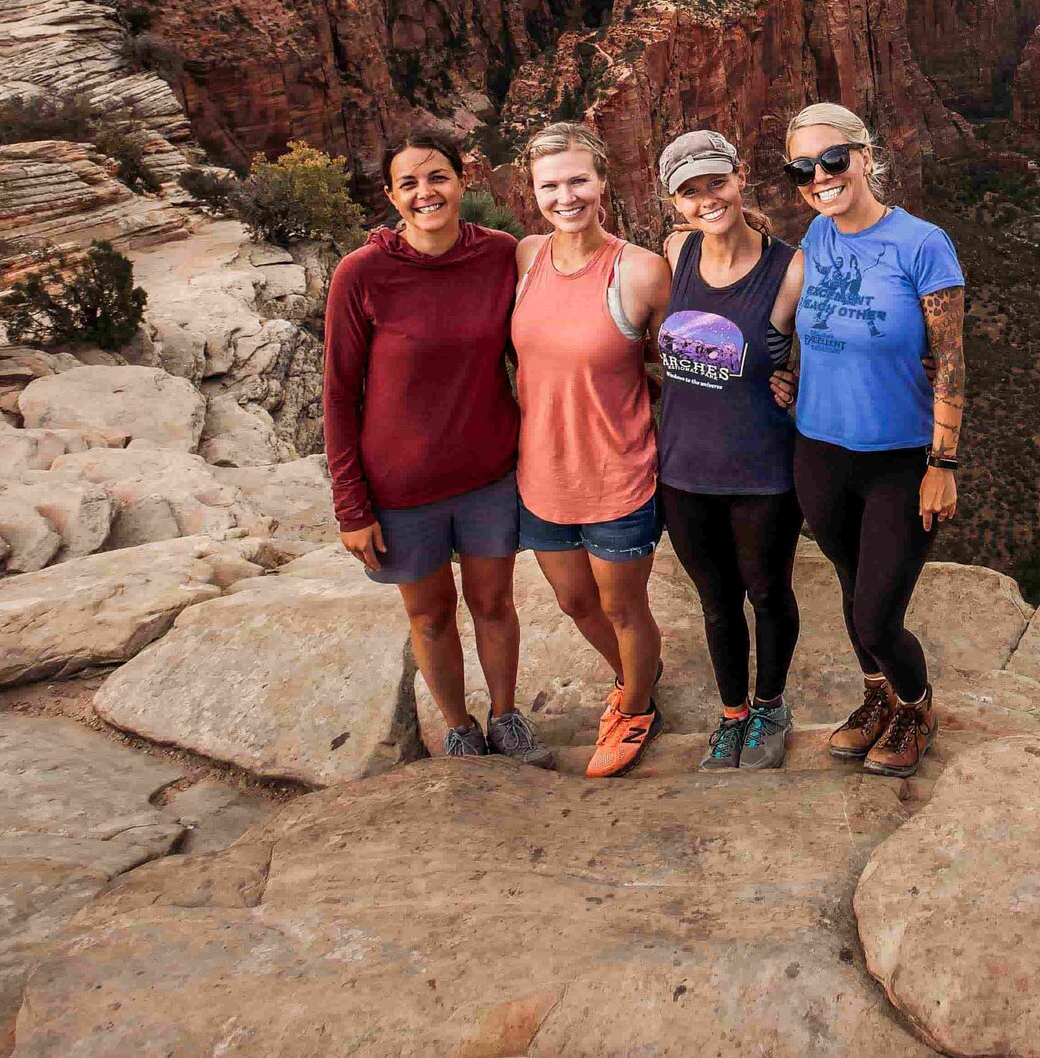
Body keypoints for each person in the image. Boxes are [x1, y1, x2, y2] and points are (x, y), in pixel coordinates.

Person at [323, 130, 546, 764]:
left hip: (488, 475)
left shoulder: (499, 255)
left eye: (438, 177)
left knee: (494, 605)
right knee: (429, 617)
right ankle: (458, 727)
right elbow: (339, 394)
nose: (427, 193)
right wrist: (351, 506)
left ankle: (506, 716)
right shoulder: (362, 274)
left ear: (462, 180)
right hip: (400, 488)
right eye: (410, 183)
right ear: (392, 196)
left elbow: (534, 348)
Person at [784, 103, 966, 778]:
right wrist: (781, 373)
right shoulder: (816, 236)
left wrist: (942, 462)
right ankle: (876, 697)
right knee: (851, 580)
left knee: (877, 612)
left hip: (900, 458)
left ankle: (915, 704)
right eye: (803, 167)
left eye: (834, 159)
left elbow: (949, 359)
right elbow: (791, 318)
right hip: (820, 452)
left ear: (865, 155)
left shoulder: (924, 243)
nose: (821, 176)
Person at [513, 122, 671, 778]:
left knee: (624, 607)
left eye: (579, 179)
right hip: (542, 477)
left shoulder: (640, 271)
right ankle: (634, 673)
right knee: (576, 602)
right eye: (551, 184)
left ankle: (637, 706)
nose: (566, 195)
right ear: (533, 191)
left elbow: (680, 367)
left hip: (618, 476)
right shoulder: (526, 257)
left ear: (604, 182)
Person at [654, 129, 805, 772]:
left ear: (740, 176)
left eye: (715, 182)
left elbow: (829, 345)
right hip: (684, 470)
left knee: (767, 593)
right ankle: (733, 715)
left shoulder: (789, 265)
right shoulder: (675, 252)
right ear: (674, 203)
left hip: (763, 468)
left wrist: (800, 382)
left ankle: (770, 705)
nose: (706, 199)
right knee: (716, 603)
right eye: (689, 191)